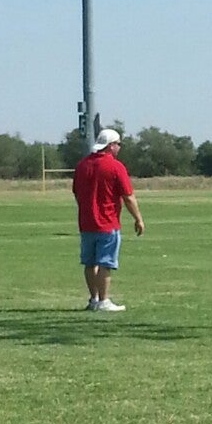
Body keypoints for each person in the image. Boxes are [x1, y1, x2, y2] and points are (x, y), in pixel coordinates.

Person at [72, 128, 144, 312]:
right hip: (107, 223)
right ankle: (104, 301)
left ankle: (93, 299)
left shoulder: (82, 165)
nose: (119, 148)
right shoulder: (115, 167)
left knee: (89, 263)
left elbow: (77, 192)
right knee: (105, 263)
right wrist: (138, 219)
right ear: (111, 146)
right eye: (118, 144)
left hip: (86, 223)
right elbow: (128, 196)